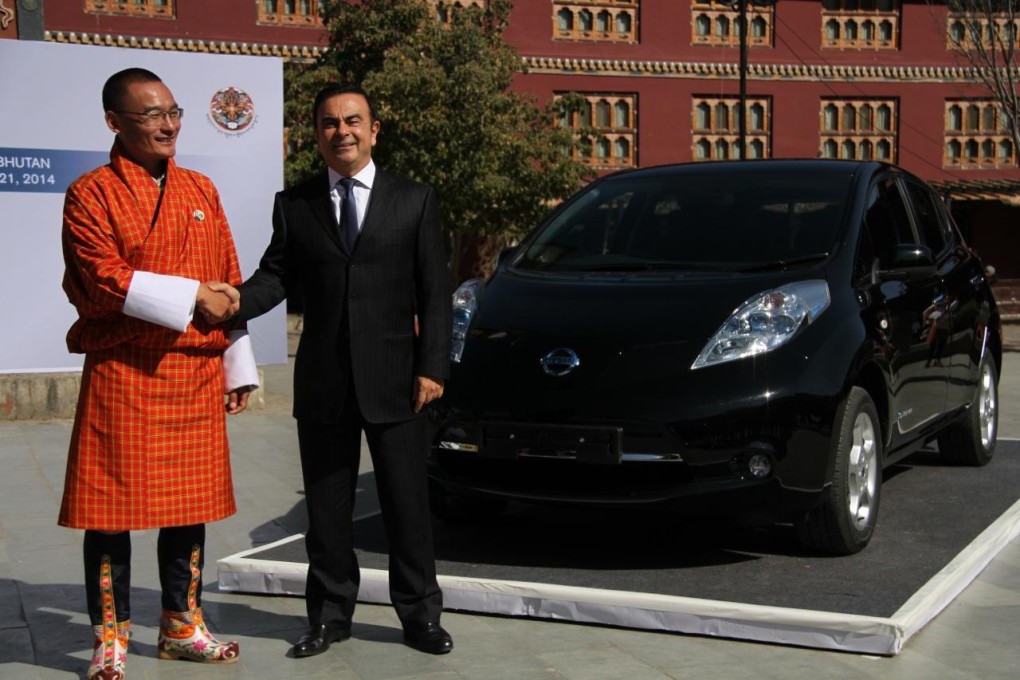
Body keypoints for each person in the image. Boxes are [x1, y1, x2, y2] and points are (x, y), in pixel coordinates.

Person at [228, 83, 453, 658]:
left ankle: (420, 615)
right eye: (330, 123)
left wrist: (433, 368)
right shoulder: (295, 204)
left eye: (353, 121)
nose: (342, 131)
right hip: (325, 381)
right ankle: (329, 616)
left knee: (407, 506)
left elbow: (435, 293)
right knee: (327, 512)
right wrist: (232, 302)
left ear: (374, 130)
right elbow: (275, 277)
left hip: (400, 381)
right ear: (317, 134)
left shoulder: (415, 200)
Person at [58, 67, 259, 680]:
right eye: (151, 115)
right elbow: (102, 276)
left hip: (193, 372)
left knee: (187, 507)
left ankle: (181, 625)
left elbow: (228, 276)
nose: (168, 124)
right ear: (115, 123)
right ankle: (111, 638)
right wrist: (194, 297)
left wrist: (236, 364)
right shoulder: (89, 193)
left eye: (173, 112)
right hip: (123, 370)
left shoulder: (201, 188)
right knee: (109, 509)